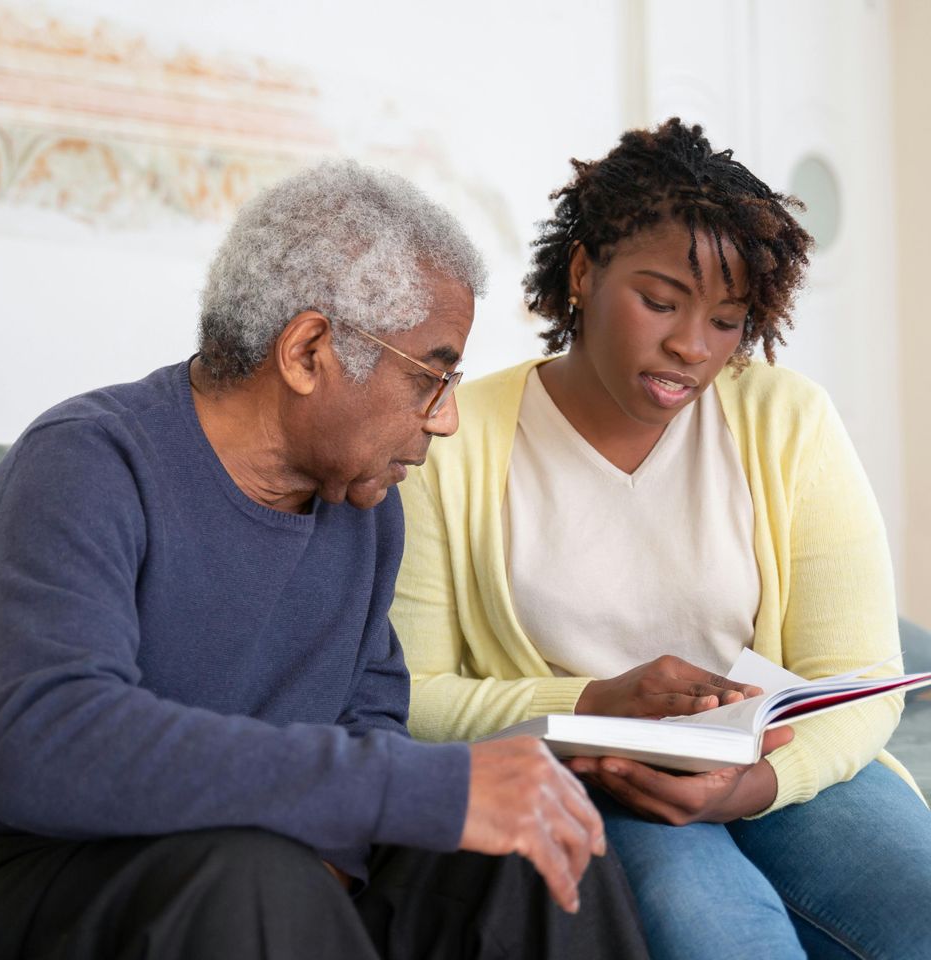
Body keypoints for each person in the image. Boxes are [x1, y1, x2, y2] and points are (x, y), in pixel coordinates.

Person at [0, 161, 651, 960]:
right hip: (42, 874)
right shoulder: (88, 463)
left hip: (271, 884)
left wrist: (339, 859)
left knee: (536, 846)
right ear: (307, 351)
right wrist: (408, 793)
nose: (447, 421)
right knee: (259, 878)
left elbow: (368, 721)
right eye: (431, 377)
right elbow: (55, 745)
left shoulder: (364, 508)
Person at [393, 119, 931, 960]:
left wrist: (754, 785)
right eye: (660, 302)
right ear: (583, 272)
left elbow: (860, 679)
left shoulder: (787, 420)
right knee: (720, 936)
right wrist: (596, 704)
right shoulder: (454, 440)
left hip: (782, 766)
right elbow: (410, 692)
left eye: (726, 320)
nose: (691, 347)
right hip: (598, 775)